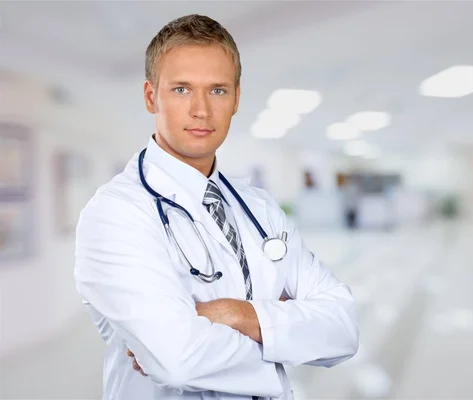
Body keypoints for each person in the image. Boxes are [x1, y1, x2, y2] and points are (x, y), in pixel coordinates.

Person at [74, 14, 359, 400]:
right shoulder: (116, 213)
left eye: (218, 90)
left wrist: (235, 314)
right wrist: (285, 340)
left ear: (237, 98)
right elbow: (178, 358)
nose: (201, 109)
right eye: (181, 89)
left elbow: (342, 328)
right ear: (150, 96)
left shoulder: (259, 208)